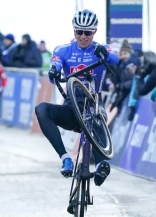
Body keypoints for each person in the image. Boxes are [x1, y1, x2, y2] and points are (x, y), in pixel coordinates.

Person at [35, 9, 119, 187]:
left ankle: (101, 164)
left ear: (94, 31)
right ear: (74, 31)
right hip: (71, 108)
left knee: (97, 115)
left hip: (94, 103)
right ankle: (65, 159)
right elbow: (56, 65)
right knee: (41, 109)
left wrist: (105, 52)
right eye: (78, 31)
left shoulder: (100, 48)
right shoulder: (63, 50)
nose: (83, 36)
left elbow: (115, 59)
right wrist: (54, 70)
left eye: (87, 32)